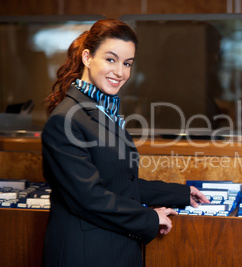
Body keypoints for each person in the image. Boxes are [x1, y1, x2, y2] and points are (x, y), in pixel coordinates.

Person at [41, 19, 209, 267]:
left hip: (114, 246)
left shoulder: (103, 110)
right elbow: (89, 198)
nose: (120, 72)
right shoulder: (65, 119)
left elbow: (118, 182)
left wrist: (180, 194)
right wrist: (150, 218)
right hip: (86, 253)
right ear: (87, 58)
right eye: (111, 59)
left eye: (127, 63)